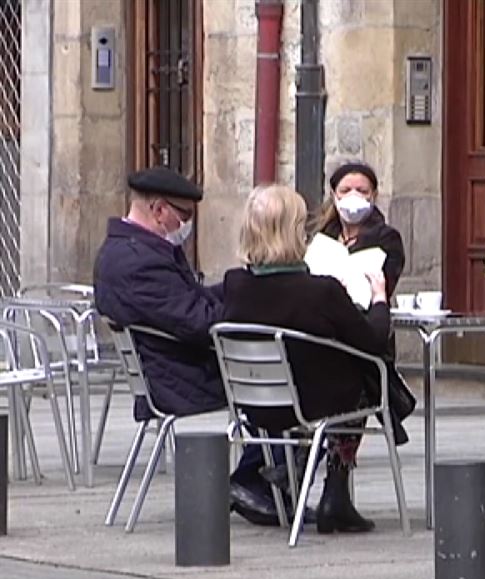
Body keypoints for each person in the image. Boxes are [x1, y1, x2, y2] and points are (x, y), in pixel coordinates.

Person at [94, 166, 298, 528]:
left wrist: (245, 287)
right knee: (286, 377)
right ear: (159, 210)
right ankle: (258, 481)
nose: (188, 226)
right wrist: (254, 303)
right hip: (179, 378)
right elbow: (200, 323)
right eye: (183, 216)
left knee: (277, 372)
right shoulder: (136, 262)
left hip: (174, 368)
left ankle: (261, 479)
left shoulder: (135, 249)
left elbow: (191, 303)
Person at [223, 184, 413, 534]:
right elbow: (372, 339)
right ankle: (334, 495)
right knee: (368, 373)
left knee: (348, 369)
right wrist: (380, 297)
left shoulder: (235, 284)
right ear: (295, 233)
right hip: (314, 407)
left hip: (254, 407)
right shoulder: (320, 291)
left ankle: (300, 471)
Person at [317, 161, 406, 298]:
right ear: (334, 195)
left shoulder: (387, 239)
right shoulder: (324, 237)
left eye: (362, 191)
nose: (353, 196)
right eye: (345, 191)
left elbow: (385, 287)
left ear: (373, 196)